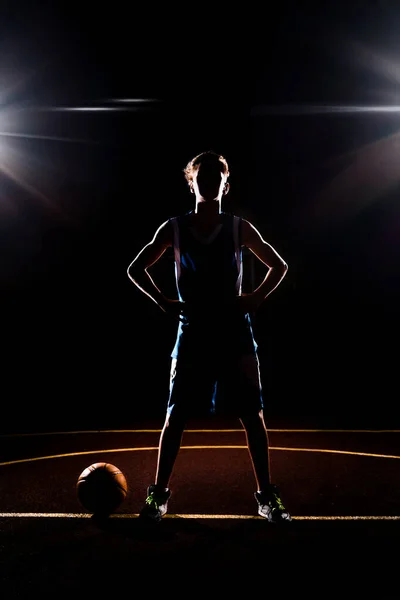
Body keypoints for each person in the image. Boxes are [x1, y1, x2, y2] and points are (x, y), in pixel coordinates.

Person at [127, 150, 291, 523]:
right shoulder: (174, 228)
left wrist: (254, 298)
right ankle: (158, 496)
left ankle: (267, 497)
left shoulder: (237, 227)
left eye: (217, 175)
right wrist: (164, 301)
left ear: (225, 184)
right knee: (176, 416)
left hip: (234, 332)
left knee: (252, 415)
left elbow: (278, 265)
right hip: (194, 333)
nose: (210, 180)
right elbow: (136, 268)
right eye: (204, 175)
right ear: (192, 181)